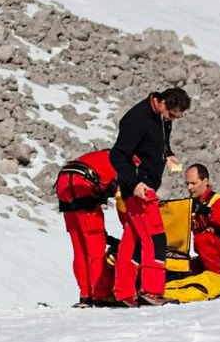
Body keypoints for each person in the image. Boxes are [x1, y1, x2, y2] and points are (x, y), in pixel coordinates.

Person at [108, 87, 191, 306]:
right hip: (139, 188)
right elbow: (117, 155)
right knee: (155, 237)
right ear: (162, 103)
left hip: (145, 185)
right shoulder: (136, 119)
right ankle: (152, 291)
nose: (173, 119)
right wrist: (135, 184)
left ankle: (124, 293)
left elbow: (159, 142)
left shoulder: (163, 118)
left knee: (132, 239)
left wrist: (168, 155)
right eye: (172, 114)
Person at [162, 162, 220, 303]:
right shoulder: (193, 205)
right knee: (181, 268)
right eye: (187, 183)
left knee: (202, 239)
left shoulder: (218, 201)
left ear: (205, 181)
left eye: (193, 183)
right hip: (209, 259)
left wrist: (207, 211)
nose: (189, 187)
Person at [55, 150, 118, 306]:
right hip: (82, 184)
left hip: (64, 183)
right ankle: (101, 294)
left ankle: (85, 295)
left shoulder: (107, 154)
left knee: (80, 246)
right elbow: (122, 193)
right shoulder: (129, 161)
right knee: (95, 246)